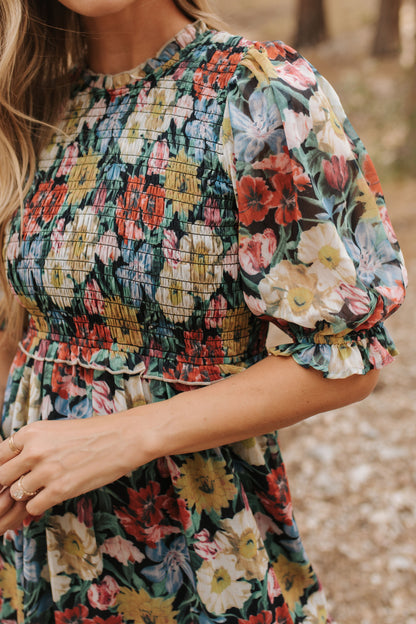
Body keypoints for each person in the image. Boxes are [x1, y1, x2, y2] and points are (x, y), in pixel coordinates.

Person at [0, 0, 407, 622]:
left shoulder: (259, 93)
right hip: (34, 553)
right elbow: (23, 326)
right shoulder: (32, 104)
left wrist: (128, 433)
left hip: (193, 556)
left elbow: (347, 354)